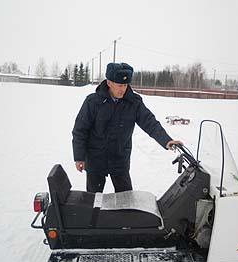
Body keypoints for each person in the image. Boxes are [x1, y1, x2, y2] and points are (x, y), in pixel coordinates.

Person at [72, 62, 182, 193]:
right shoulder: (93, 102)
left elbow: (150, 122)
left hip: (120, 159)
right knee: (94, 201)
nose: (122, 89)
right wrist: (79, 157)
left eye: (125, 85)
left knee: (126, 200)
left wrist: (166, 140)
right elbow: (80, 130)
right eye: (119, 85)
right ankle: (94, 214)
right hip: (96, 159)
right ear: (109, 83)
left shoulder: (133, 102)